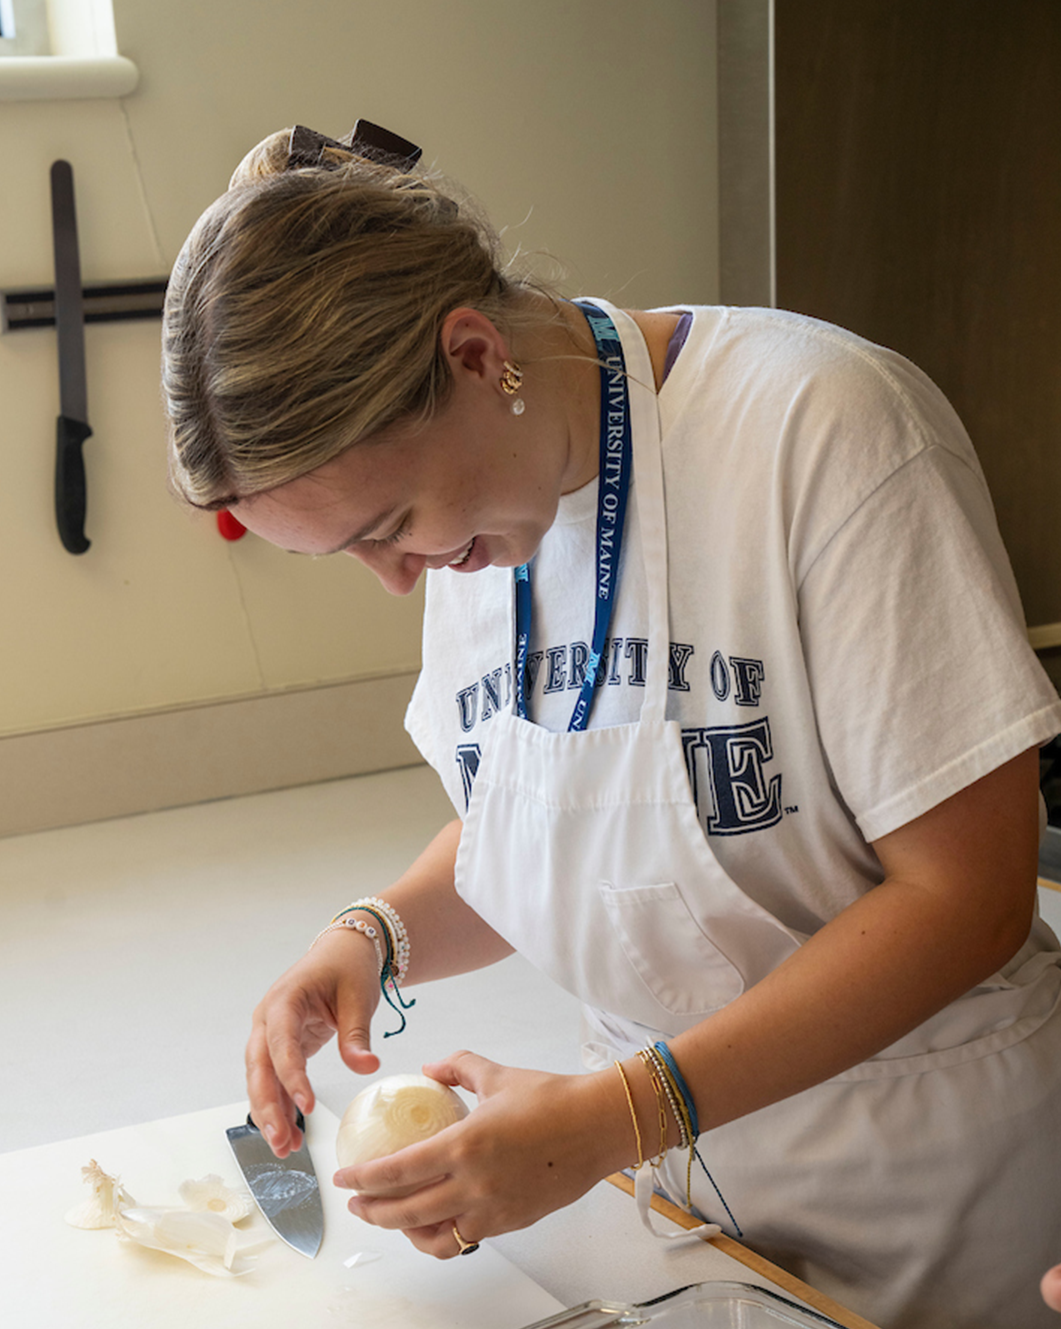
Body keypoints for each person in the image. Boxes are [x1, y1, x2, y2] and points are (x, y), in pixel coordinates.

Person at [162, 122, 1061, 1329]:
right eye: (349, 553)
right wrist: (372, 937)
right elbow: (555, 818)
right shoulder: (488, 512)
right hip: (672, 1190)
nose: (395, 579)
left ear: (477, 355)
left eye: (388, 523)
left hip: (923, 1175)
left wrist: (615, 1116)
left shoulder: (821, 431)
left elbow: (970, 893)